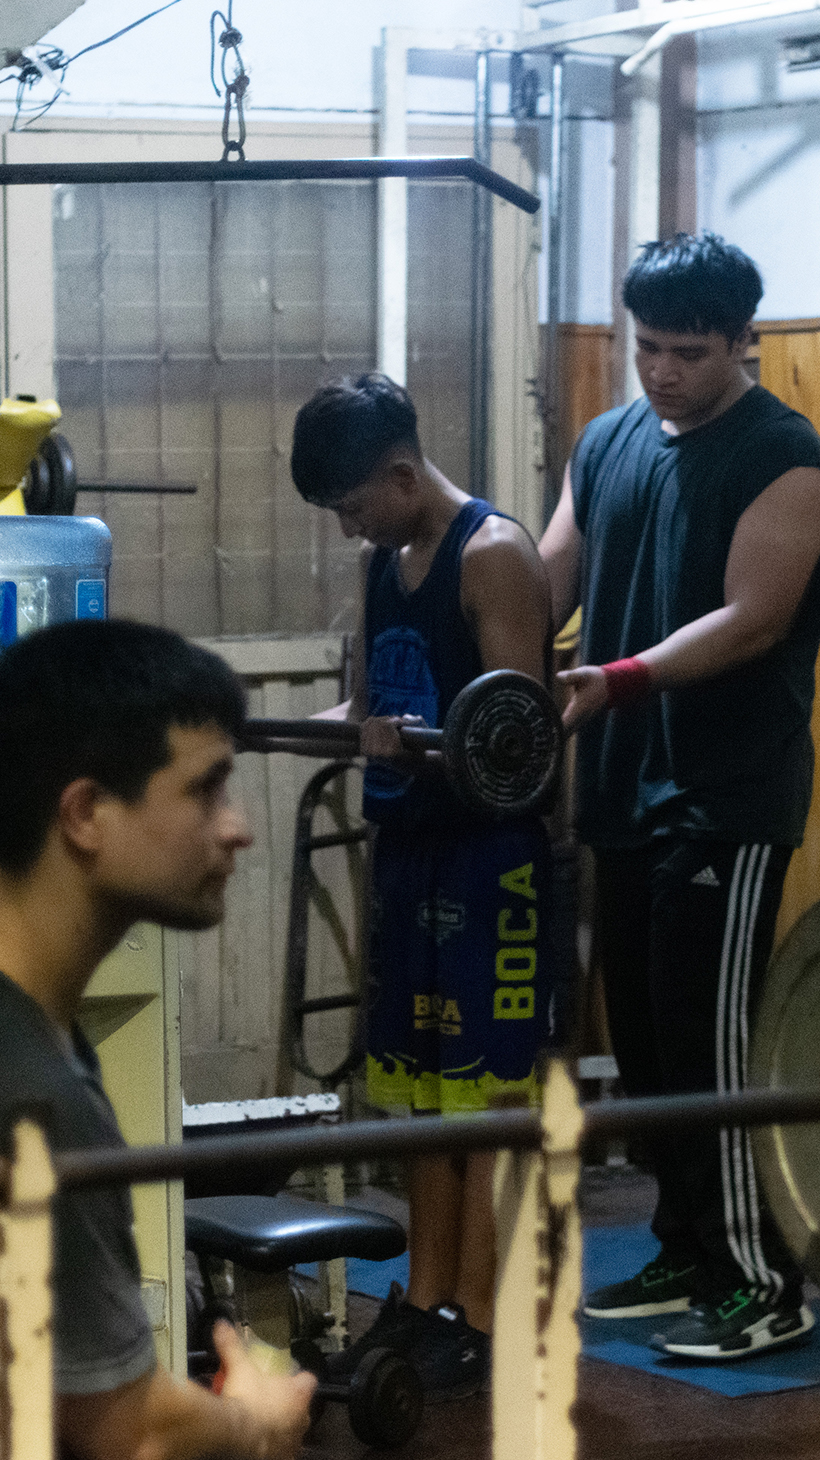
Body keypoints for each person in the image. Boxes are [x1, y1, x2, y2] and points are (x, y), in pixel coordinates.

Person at [539, 231, 820, 1361]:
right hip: (618, 788)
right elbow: (546, 570)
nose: (661, 370)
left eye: (689, 352)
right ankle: (686, 1242)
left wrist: (616, 677)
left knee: (711, 1054)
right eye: (645, 346)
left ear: (742, 342)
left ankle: (764, 1277)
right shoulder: (606, 439)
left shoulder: (783, 454)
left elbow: (752, 616)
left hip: (723, 799)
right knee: (648, 1049)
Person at [290, 372, 554, 1400]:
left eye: (355, 503)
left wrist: (422, 746)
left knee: (479, 1102)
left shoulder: (493, 556)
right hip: (407, 853)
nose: (350, 524)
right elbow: (363, 705)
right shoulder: (383, 561)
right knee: (412, 1094)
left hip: (491, 866)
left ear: (400, 472)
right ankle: (429, 1289)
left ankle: (479, 1314)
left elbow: (520, 743)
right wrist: (223, 726)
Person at [0, 618, 316, 1460]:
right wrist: (257, 1423)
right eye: (206, 790)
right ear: (87, 814)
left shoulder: (43, 1033)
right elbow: (128, 1434)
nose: (237, 828)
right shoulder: (29, 1088)